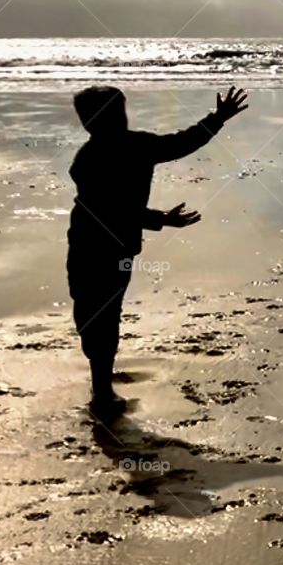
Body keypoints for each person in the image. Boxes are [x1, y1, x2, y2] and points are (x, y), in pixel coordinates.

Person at [65, 84, 248, 415]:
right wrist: (161, 219)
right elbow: (108, 210)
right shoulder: (96, 159)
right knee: (96, 313)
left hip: (102, 246)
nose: (121, 118)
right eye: (114, 113)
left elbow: (183, 142)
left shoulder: (127, 148)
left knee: (100, 313)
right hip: (95, 244)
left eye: (121, 111)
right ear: (92, 121)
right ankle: (102, 385)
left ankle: (101, 386)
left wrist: (218, 118)